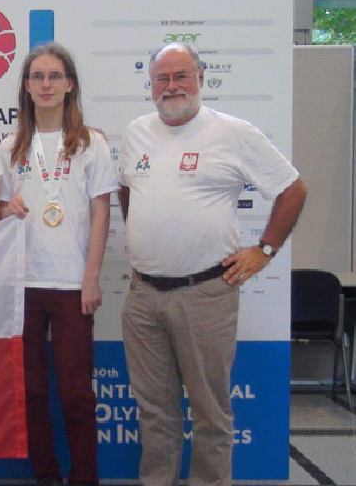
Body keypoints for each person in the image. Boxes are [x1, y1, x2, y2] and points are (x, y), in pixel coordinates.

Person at [118, 42, 307, 486]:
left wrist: (264, 250)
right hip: (143, 296)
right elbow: (128, 192)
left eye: (181, 75)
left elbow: (293, 189)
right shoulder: (135, 133)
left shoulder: (233, 132)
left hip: (204, 293)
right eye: (162, 78)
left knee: (209, 411)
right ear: (151, 85)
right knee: (154, 410)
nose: (172, 86)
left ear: (201, 78)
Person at [0, 42, 116, 486]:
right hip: (23, 285)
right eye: (37, 77)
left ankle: (85, 479)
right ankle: (45, 477)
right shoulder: (10, 146)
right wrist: (6, 208)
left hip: (72, 287)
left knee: (76, 394)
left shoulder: (90, 144)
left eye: (54, 76)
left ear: (69, 85)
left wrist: (91, 278)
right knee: (31, 393)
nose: (45, 84)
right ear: (27, 87)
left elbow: (101, 213)